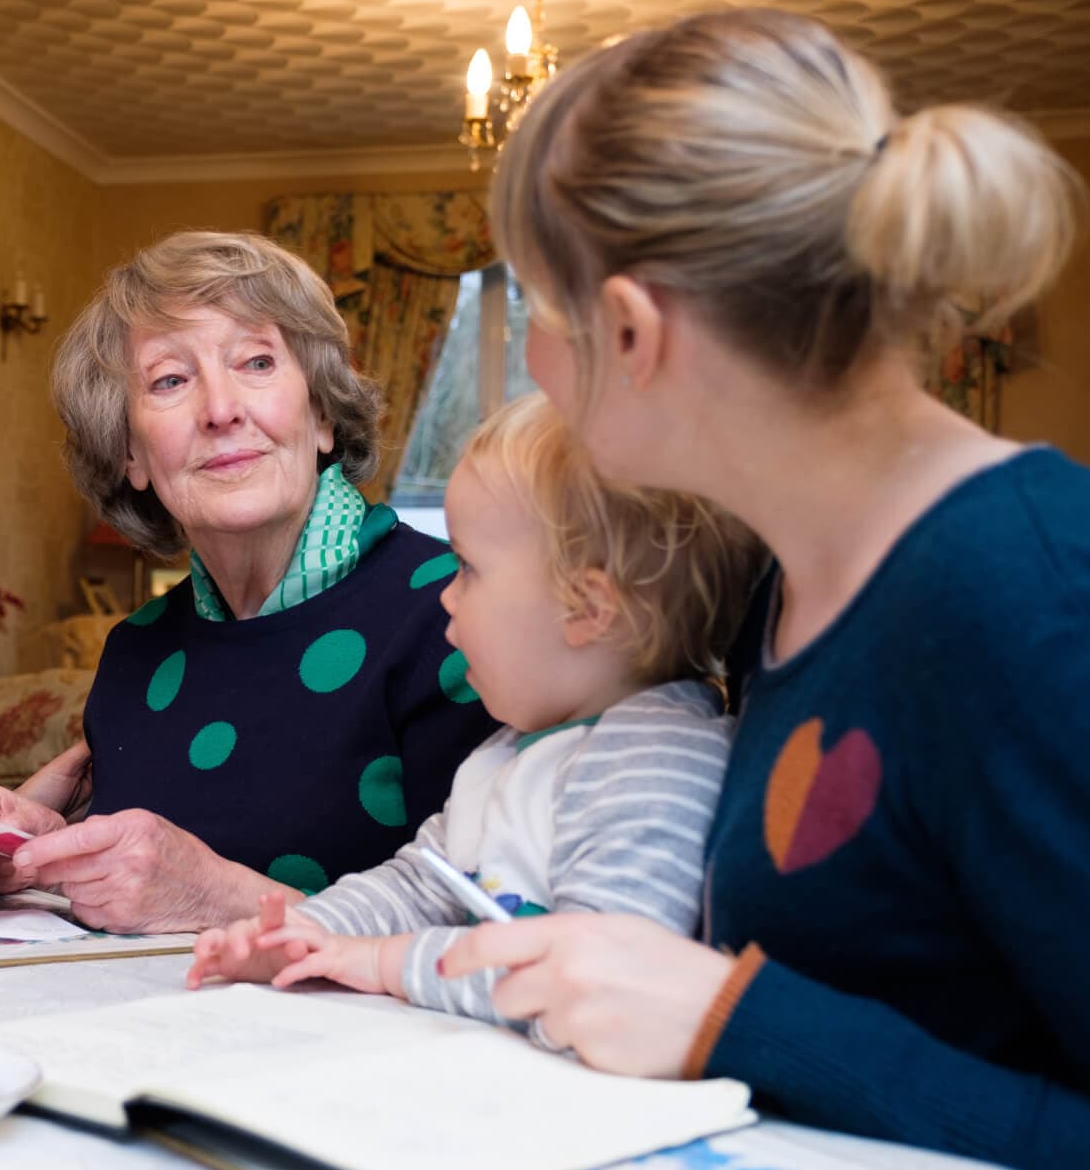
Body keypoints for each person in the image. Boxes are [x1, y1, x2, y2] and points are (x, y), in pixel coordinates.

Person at [429, 9, 1090, 1170]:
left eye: (536, 313)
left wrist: (730, 1019)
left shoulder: (1034, 601)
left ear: (632, 331)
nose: (531, 366)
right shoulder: (775, 584)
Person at [0, 232, 498, 932]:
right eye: (170, 380)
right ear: (130, 453)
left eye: (257, 361)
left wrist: (226, 900)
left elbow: (501, 925)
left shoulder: (454, 612)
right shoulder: (136, 651)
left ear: (322, 413)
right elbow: (150, 872)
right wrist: (41, 847)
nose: (220, 408)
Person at [187, 395, 761, 1026]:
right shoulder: (513, 749)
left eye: (469, 569)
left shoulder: (657, 761)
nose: (445, 596)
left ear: (587, 608)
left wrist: (386, 963)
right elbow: (421, 884)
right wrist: (299, 933)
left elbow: (589, 979)